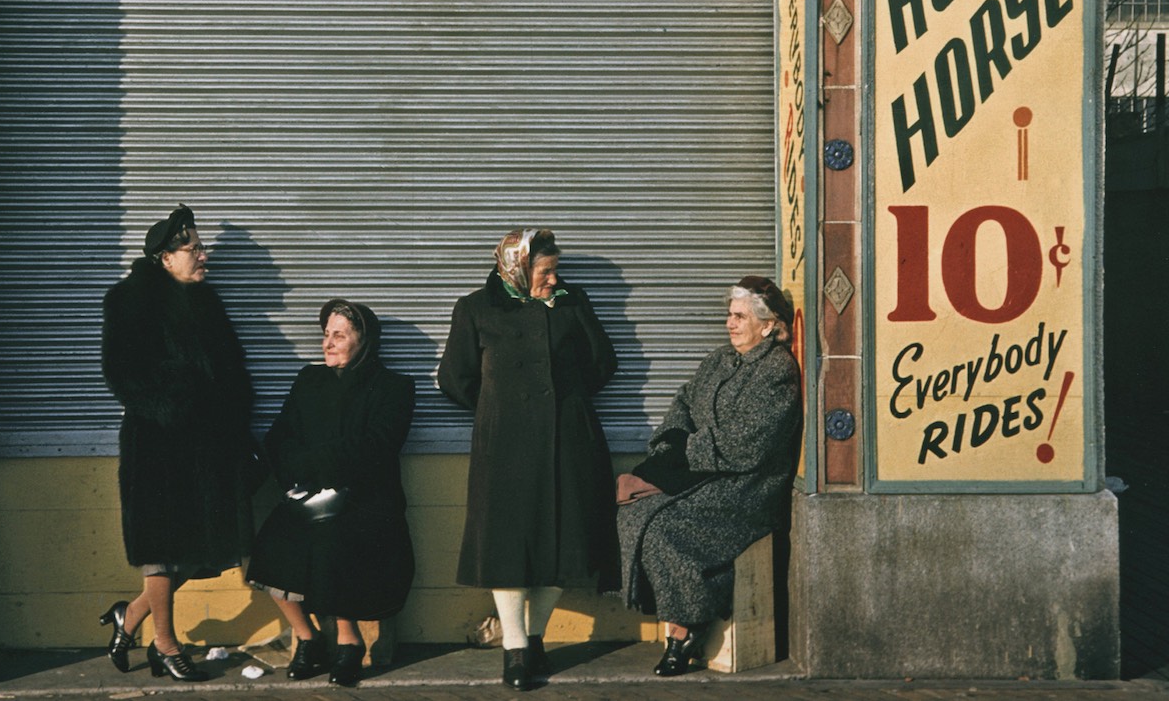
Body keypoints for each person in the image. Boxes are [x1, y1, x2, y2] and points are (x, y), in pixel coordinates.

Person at [438, 228, 620, 691]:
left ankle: (535, 637)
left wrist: (563, 397)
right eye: (545, 271)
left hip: (568, 437)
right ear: (515, 267)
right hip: (506, 444)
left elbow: (603, 362)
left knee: (564, 540)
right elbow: (454, 378)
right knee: (507, 544)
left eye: (555, 270)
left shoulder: (571, 302)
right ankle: (514, 649)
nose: (553, 278)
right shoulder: (476, 309)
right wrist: (503, 402)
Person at [98, 204, 257, 682]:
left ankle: (129, 618)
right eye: (194, 249)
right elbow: (121, 373)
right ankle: (165, 645)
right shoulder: (129, 300)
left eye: (201, 247)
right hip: (159, 444)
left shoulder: (206, 301)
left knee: (197, 551)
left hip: (207, 448)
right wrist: (176, 402)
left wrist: (234, 417)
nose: (203, 256)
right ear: (165, 258)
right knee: (162, 548)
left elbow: (230, 368)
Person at [614, 275, 802, 677]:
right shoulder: (720, 359)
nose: (729, 324)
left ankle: (685, 632)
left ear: (768, 326)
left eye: (739, 316)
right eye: (729, 315)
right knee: (634, 512)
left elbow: (745, 445)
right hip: (704, 474)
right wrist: (669, 443)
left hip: (747, 487)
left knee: (666, 526)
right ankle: (686, 610)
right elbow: (683, 400)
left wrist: (681, 456)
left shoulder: (777, 371)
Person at [246, 298, 416, 687]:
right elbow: (279, 437)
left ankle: (349, 642)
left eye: (339, 334)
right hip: (307, 496)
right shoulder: (310, 380)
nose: (328, 343)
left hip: (365, 499)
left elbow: (376, 446)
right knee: (271, 546)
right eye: (325, 334)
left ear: (364, 340)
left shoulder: (394, 388)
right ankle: (308, 637)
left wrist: (315, 463)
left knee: (334, 542)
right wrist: (300, 473)